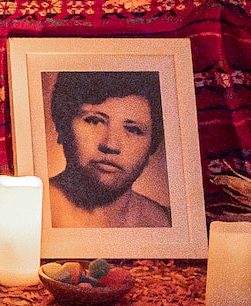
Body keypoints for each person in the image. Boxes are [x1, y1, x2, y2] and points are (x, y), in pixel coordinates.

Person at [46, 71, 172, 228]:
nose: (111, 145)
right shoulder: (28, 212)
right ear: (62, 125)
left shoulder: (168, 223)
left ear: (152, 145)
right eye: (94, 121)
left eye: (133, 130)